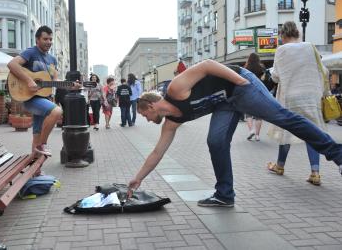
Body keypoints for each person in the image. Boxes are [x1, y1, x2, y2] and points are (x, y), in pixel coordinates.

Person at [127, 59, 342, 207]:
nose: (146, 119)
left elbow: (208, 65)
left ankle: (338, 154)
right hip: (225, 104)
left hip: (240, 87)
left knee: (283, 118)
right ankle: (224, 195)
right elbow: (157, 153)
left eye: (144, 115)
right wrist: (138, 179)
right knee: (215, 141)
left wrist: (239, 79)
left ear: (151, 106)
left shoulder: (175, 89)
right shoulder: (171, 123)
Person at [267, 21, 328, 186]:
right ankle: (315, 172)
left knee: (287, 130)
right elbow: (325, 70)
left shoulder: (282, 50)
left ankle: (280, 166)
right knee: (312, 132)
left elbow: (276, 77)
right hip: (311, 96)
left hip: (291, 96)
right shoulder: (310, 47)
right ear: (297, 34)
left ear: (283, 36)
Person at [7, 25, 74, 157]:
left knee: (37, 134)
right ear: (37, 39)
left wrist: (71, 86)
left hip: (44, 97)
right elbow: (12, 64)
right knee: (57, 111)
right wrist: (29, 80)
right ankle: (42, 144)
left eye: (50, 39)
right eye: (45, 39)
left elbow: (55, 81)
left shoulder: (52, 60)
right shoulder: (31, 52)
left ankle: (35, 171)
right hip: (30, 98)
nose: (49, 42)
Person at [243, 53, 265, 141]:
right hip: (259, 92)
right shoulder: (262, 68)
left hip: (248, 92)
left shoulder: (245, 68)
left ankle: (251, 130)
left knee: (248, 114)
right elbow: (264, 80)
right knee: (259, 115)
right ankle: (257, 135)